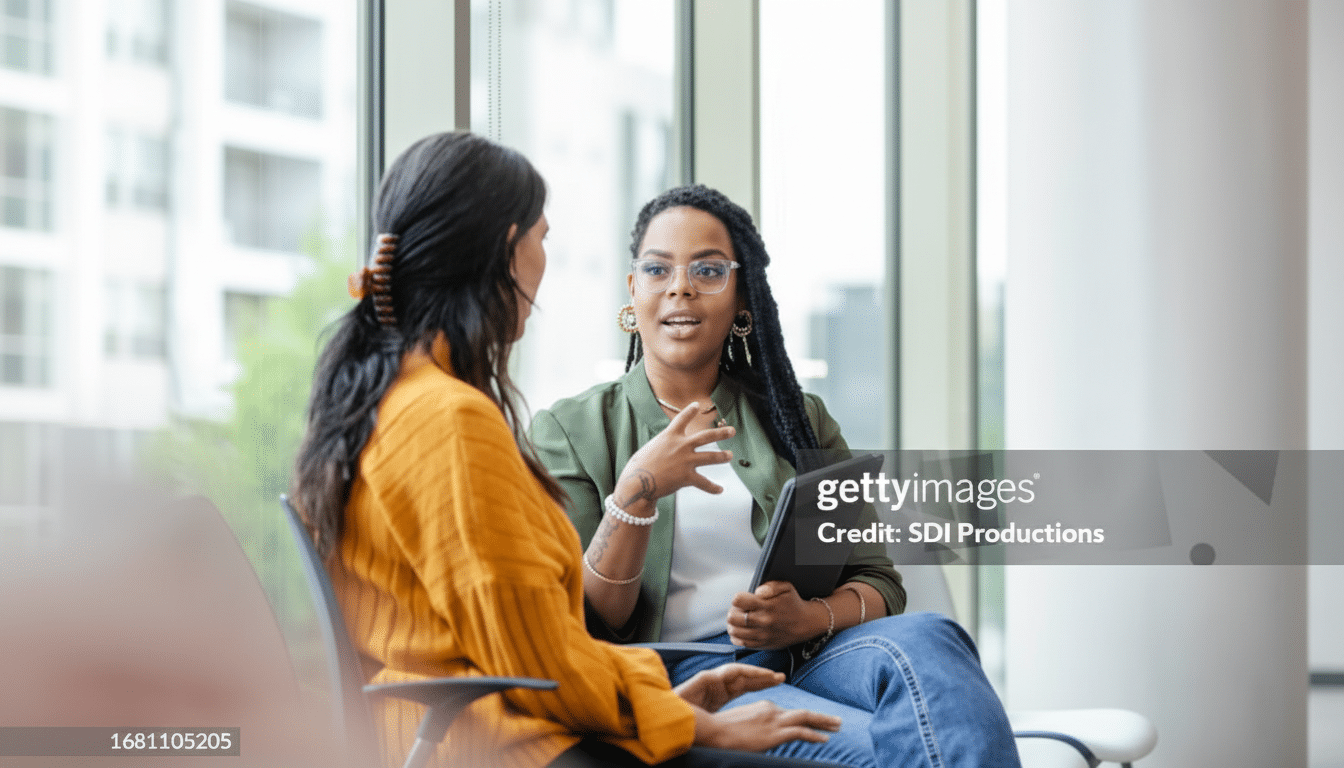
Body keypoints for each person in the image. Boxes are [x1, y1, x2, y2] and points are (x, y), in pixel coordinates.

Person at [289, 134, 846, 768]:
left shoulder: (394, 401)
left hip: (483, 727)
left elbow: (531, 646)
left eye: (708, 270)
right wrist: (692, 724)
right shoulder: (449, 422)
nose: (681, 290)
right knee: (852, 752)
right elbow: (535, 661)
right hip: (501, 745)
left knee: (910, 664)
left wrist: (669, 704)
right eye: (543, 237)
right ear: (508, 250)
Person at [529, 184, 1022, 768]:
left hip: (820, 651)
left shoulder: (798, 418)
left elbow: (879, 581)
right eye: (657, 268)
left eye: (708, 269)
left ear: (743, 300)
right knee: (879, 752)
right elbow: (592, 619)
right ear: (634, 291)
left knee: (934, 636)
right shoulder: (569, 429)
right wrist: (639, 488)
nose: (680, 285)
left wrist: (804, 620)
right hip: (690, 670)